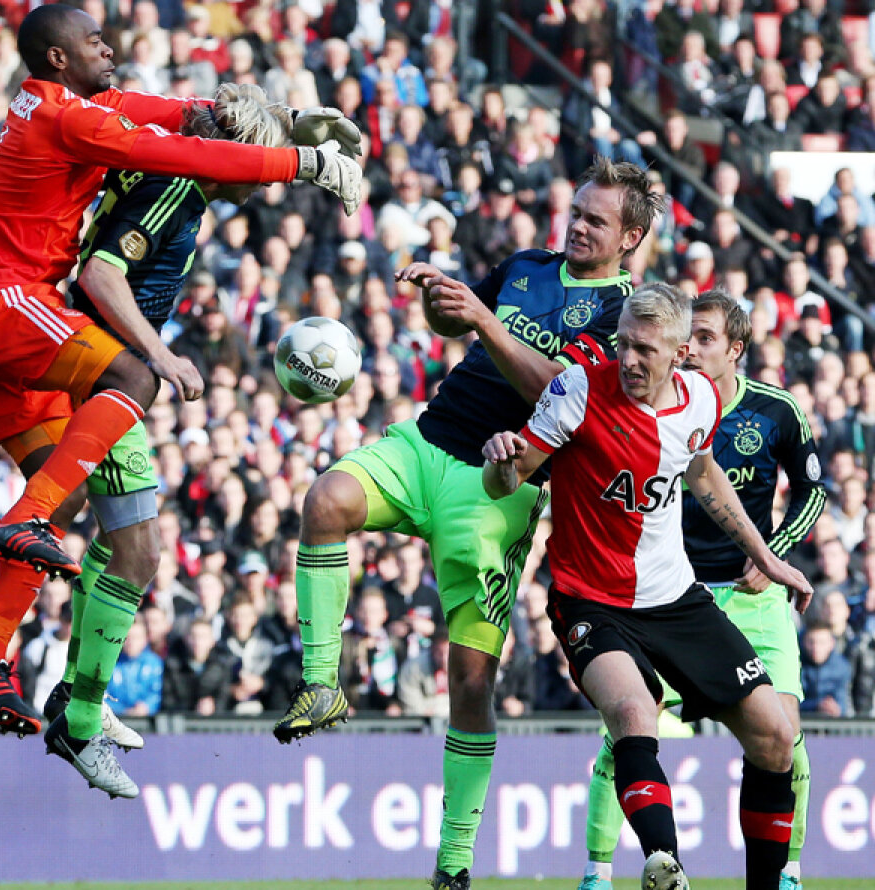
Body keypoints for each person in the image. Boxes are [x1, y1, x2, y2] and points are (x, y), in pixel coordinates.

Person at [0, 3, 361, 740]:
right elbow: (188, 157)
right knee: (134, 386)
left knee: (67, 500)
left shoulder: (68, 107)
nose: (109, 48)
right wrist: (303, 165)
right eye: (94, 41)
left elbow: (174, 112)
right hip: (4, 304)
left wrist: (287, 120)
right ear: (59, 58)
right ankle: (80, 705)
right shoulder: (74, 123)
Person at [272, 157, 666, 890]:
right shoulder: (525, 266)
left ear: (631, 237)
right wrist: (441, 300)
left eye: (596, 220)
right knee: (324, 501)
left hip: (497, 487)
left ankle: (453, 865)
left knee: (470, 678)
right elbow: (461, 327)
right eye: (577, 212)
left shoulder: (623, 316)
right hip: (427, 441)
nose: (578, 226)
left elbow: (561, 393)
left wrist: (482, 320)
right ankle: (322, 684)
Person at [481, 282, 814, 890]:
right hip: (589, 599)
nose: (629, 361)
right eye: (624, 345)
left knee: (776, 735)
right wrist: (500, 462)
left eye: (645, 350)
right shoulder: (577, 391)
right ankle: (664, 866)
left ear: (680, 354)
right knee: (635, 712)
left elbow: (704, 474)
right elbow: (507, 480)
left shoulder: (698, 400)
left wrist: (765, 555)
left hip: (675, 599)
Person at [34, 81, 300, 797]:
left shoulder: (181, 179)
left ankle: (76, 696)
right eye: (259, 166)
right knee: (141, 552)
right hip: (98, 370)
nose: (260, 185)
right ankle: (78, 719)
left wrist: (296, 124)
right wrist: (160, 354)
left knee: (119, 542)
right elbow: (101, 272)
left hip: (99, 367)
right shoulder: (176, 187)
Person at [576, 289, 826, 890]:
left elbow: (813, 489)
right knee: (628, 730)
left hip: (753, 596)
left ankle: (786, 874)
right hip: (673, 595)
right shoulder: (656, 404)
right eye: (687, 338)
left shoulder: (775, 410)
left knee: (784, 737)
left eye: (706, 339)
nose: (691, 349)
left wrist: (773, 555)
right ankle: (597, 873)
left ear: (735, 349)